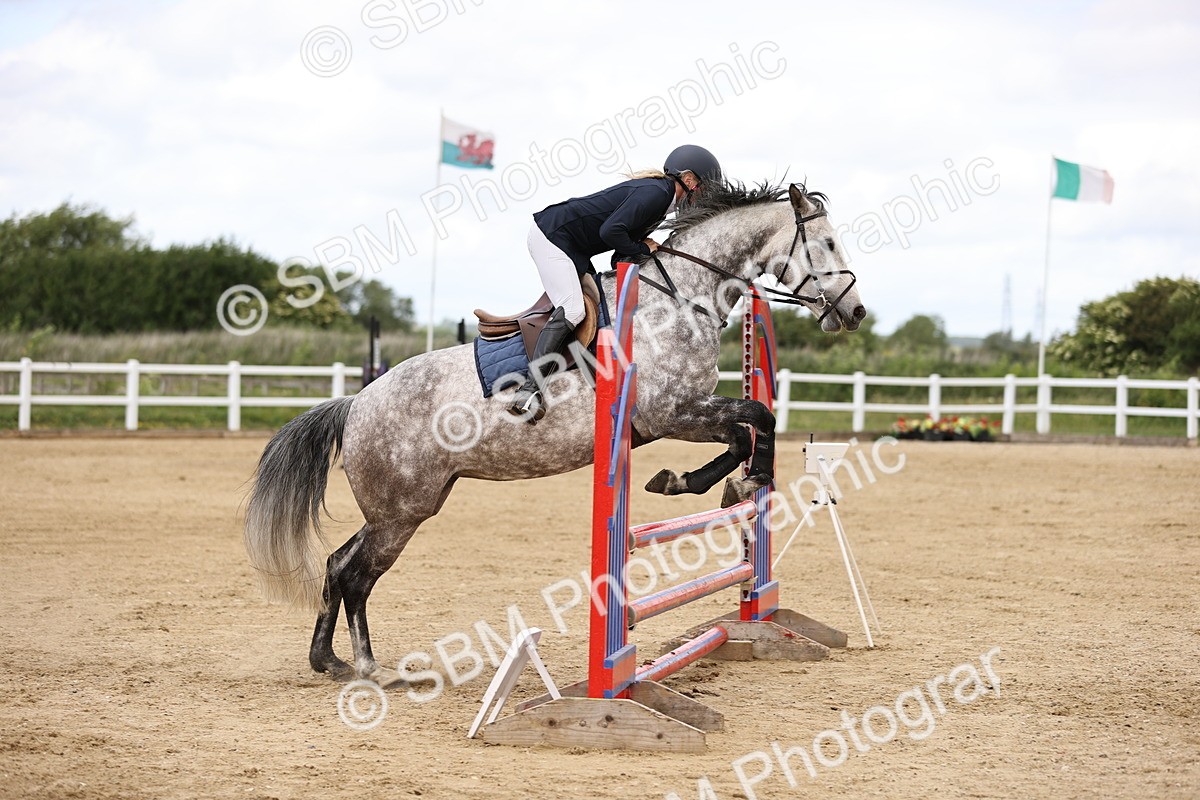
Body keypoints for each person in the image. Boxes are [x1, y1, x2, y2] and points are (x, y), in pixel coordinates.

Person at [509, 144, 723, 422]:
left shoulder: (661, 201)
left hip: (573, 247)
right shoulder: (657, 194)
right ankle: (529, 390)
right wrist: (643, 249)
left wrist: (641, 251)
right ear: (690, 180)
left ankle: (589, 382)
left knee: (598, 305)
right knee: (573, 310)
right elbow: (610, 231)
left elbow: (618, 255)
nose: (701, 198)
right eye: (703, 190)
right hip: (552, 237)